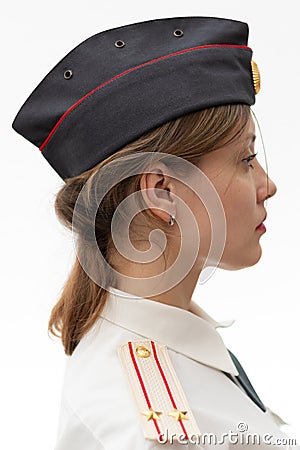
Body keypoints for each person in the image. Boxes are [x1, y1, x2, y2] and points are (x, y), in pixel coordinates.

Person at [12, 16, 298, 450]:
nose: (267, 185)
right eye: (246, 158)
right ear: (163, 192)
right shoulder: (150, 430)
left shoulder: (173, 349)